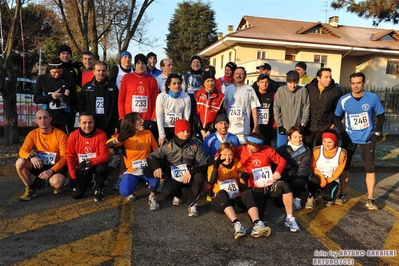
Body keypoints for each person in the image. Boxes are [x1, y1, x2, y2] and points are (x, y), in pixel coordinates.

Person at [334, 72, 385, 210]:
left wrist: (376, 133)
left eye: (358, 83)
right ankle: (343, 193)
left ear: (363, 83)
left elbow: (381, 116)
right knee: (345, 167)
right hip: (349, 139)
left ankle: (370, 198)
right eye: (353, 83)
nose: (355, 86)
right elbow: (336, 117)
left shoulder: (372, 98)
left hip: (367, 138)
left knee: (369, 168)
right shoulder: (344, 100)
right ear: (350, 84)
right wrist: (343, 133)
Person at [235, 132, 300, 232]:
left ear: (260, 146)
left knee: (285, 186)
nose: (250, 151)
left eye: (254, 149)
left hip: (270, 185)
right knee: (258, 217)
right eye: (249, 148)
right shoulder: (241, 149)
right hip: (256, 189)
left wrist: (277, 172)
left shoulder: (267, 149)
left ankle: (290, 218)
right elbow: (225, 152)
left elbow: (282, 161)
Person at [208, 142, 271, 239]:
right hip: (220, 203)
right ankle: (237, 225)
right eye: (224, 155)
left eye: (230, 155)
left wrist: (243, 178)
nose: (228, 158)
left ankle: (257, 223)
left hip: (235, 201)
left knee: (247, 192)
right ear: (219, 154)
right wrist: (216, 167)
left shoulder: (237, 162)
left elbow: (242, 177)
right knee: (222, 193)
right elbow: (211, 181)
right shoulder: (214, 165)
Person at [146, 119, 208, 217]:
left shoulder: (195, 145)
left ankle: (192, 204)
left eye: (188, 131)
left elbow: (204, 163)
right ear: (176, 132)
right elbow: (150, 156)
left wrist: (191, 171)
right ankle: (178, 194)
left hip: (190, 175)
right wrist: (156, 167)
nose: (186, 133)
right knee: (166, 193)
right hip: (175, 175)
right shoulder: (168, 146)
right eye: (182, 131)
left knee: (199, 176)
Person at [106, 112, 159, 208]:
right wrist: (118, 140)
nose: (142, 121)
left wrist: (157, 167)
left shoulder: (148, 133)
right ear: (131, 123)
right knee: (125, 191)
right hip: (132, 171)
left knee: (156, 177)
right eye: (139, 119)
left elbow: (156, 151)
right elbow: (108, 144)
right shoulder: (124, 136)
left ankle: (152, 196)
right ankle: (132, 188)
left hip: (147, 169)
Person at [16, 110, 68, 201]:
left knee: (57, 183)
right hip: (40, 164)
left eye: (45, 117)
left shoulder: (60, 134)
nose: (43, 121)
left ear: (50, 119)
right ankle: (30, 188)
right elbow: (22, 151)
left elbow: (65, 157)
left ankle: (58, 182)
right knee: (20, 162)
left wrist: (51, 171)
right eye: (40, 118)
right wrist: (31, 157)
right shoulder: (33, 134)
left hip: (56, 165)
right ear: (36, 121)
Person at [66, 112, 109, 201]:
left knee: (103, 168)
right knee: (76, 195)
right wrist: (72, 176)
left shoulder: (101, 134)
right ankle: (89, 179)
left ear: (94, 123)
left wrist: (88, 162)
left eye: (90, 122)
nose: (87, 125)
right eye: (84, 123)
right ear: (79, 124)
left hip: (95, 165)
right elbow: (69, 156)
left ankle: (99, 188)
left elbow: (104, 156)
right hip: (81, 167)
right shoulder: (73, 135)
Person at [118, 53, 159, 139]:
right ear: (135, 65)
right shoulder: (127, 78)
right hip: (130, 118)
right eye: (138, 63)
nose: (141, 66)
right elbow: (121, 99)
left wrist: (153, 118)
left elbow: (156, 101)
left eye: (143, 63)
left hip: (145, 118)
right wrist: (122, 117)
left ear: (146, 65)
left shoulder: (152, 80)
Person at [305, 130, 347, 210]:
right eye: (324, 141)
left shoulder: (342, 153)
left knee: (328, 196)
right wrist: (322, 178)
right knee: (312, 179)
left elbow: (339, 170)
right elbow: (313, 167)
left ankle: (328, 193)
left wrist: (327, 180)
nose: (326, 144)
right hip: (318, 176)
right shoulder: (317, 150)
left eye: (330, 142)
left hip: (331, 178)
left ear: (335, 141)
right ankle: (310, 197)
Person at [34, 58, 77, 135]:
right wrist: (51, 97)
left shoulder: (68, 80)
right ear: (49, 70)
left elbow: (75, 100)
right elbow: (36, 99)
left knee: (64, 143)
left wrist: (66, 97)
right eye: (54, 72)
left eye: (59, 72)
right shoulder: (42, 79)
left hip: (64, 118)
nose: (57, 74)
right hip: (48, 118)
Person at [79, 61, 119, 138]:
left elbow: (116, 106)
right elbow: (81, 106)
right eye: (98, 70)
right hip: (92, 123)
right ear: (94, 71)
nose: (101, 73)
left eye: (103, 71)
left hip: (108, 124)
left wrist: (116, 123)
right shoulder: (86, 87)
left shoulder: (113, 87)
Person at [304, 68, 342, 149]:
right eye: (326, 77)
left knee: (321, 151)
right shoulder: (308, 88)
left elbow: (341, 108)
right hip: (308, 126)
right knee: (306, 150)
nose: (329, 79)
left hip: (325, 126)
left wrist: (334, 123)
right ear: (318, 78)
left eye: (330, 77)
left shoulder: (336, 91)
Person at [276, 126, 312, 210]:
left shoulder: (306, 150)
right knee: (279, 203)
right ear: (289, 138)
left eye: (300, 137)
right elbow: (275, 165)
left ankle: (296, 197)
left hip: (295, 177)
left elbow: (303, 169)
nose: (298, 139)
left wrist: (288, 176)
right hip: (283, 177)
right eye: (295, 137)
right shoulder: (281, 149)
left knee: (299, 182)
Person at [224, 67, 261, 144]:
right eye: (237, 74)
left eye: (241, 74)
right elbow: (222, 108)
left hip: (244, 130)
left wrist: (256, 126)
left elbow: (254, 109)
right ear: (233, 76)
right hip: (230, 129)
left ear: (245, 76)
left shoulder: (249, 89)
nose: (239, 75)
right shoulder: (227, 89)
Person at [274, 70, 310, 147]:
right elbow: (276, 108)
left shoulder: (303, 90)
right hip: (284, 127)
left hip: (297, 128)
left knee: (296, 150)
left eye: (295, 83)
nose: (293, 85)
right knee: (281, 149)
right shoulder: (281, 90)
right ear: (286, 82)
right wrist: (279, 125)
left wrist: (303, 124)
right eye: (290, 83)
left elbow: (306, 108)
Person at [156, 73, 191, 147]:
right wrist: (161, 135)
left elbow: (186, 118)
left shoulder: (186, 97)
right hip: (166, 127)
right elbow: (159, 117)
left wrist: (183, 133)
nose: (177, 86)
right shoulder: (161, 97)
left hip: (179, 129)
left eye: (178, 83)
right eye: (174, 83)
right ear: (168, 85)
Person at [193, 71, 225, 141]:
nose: (210, 83)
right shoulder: (197, 94)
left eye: (212, 81)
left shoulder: (221, 96)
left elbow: (219, 115)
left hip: (212, 129)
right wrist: (201, 130)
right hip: (199, 128)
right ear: (204, 83)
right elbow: (194, 113)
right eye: (208, 81)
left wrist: (209, 130)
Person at [254, 74, 275, 146]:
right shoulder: (253, 94)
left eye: (266, 82)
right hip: (255, 126)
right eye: (262, 82)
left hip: (267, 127)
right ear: (257, 83)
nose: (264, 84)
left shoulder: (273, 95)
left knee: (266, 148)